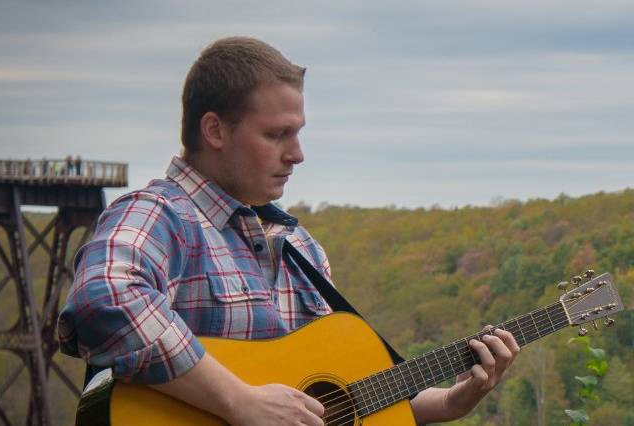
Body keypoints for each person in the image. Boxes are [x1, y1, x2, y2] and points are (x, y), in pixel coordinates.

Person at [57, 37, 519, 425]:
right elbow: (106, 298)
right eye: (278, 135)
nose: (297, 154)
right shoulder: (160, 216)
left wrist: (449, 403)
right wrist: (239, 401)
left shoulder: (301, 249)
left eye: (298, 134)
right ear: (215, 130)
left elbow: (338, 399)